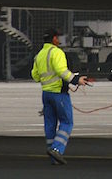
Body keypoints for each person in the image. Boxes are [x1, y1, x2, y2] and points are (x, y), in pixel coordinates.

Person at [31, 28, 93, 165]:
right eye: (57, 37)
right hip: (59, 94)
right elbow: (62, 71)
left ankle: (53, 155)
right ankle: (56, 149)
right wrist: (77, 80)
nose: (59, 39)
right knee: (67, 122)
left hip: (46, 94)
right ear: (53, 39)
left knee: (50, 124)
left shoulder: (39, 55)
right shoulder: (57, 52)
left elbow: (35, 76)